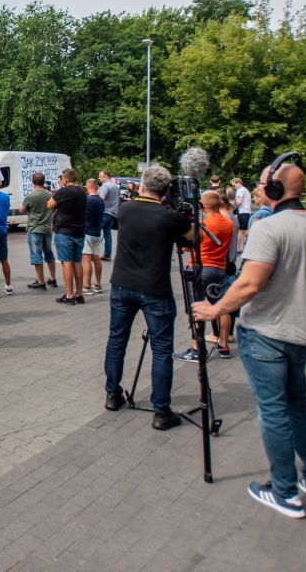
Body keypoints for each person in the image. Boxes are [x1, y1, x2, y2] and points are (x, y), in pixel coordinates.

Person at [191, 158, 306, 519]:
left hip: (265, 332)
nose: (260, 188)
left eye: (264, 183)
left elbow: (250, 283)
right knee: (298, 405)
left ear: (275, 189)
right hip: (303, 335)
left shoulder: (270, 228)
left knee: (274, 411)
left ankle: (284, 491)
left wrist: (215, 312)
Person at [103, 165, 192, 429]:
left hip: (122, 284)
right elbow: (193, 237)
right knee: (162, 349)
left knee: (117, 340)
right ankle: (161, 411)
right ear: (165, 190)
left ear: (141, 185)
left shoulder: (126, 209)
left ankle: (112, 394)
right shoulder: (169, 215)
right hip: (154, 287)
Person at [172, 190, 234, 362]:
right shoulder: (228, 223)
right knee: (222, 306)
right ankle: (223, 344)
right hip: (219, 268)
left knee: (197, 308)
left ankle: (196, 348)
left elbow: (186, 247)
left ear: (203, 206)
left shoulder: (204, 224)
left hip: (200, 267)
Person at [49, 168, 88, 304]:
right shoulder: (83, 192)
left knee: (66, 263)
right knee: (77, 262)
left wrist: (55, 194)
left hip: (64, 231)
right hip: (79, 231)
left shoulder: (63, 191)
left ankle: (69, 295)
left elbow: (50, 205)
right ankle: (79, 294)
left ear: (65, 179)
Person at [21, 172, 58, 290]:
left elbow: (23, 209)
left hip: (35, 228)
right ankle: (53, 279)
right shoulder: (50, 195)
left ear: (32, 182)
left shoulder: (30, 196)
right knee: (49, 254)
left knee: (36, 255)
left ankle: (41, 281)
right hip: (47, 228)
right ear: (44, 181)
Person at [82, 178, 104, 294]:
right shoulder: (100, 200)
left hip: (88, 232)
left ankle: (87, 286)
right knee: (96, 259)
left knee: (86, 259)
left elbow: (84, 216)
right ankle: (98, 284)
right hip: (97, 232)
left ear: (89, 186)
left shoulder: (88, 200)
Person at [97, 171, 121, 260]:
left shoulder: (105, 186)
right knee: (107, 235)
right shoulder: (115, 186)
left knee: (94, 233)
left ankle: (91, 254)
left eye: (100, 176)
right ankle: (107, 255)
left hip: (104, 212)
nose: (99, 178)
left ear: (106, 176)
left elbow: (100, 200)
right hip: (113, 213)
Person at [232, 178, 253, 247]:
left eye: (234, 185)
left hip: (242, 212)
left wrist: (233, 207)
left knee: (240, 231)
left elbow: (239, 201)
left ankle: (238, 247)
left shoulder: (240, 190)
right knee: (244, 231)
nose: (234, 187)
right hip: (247, 212)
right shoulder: (245, 189)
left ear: (238, 182)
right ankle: (242, 247)